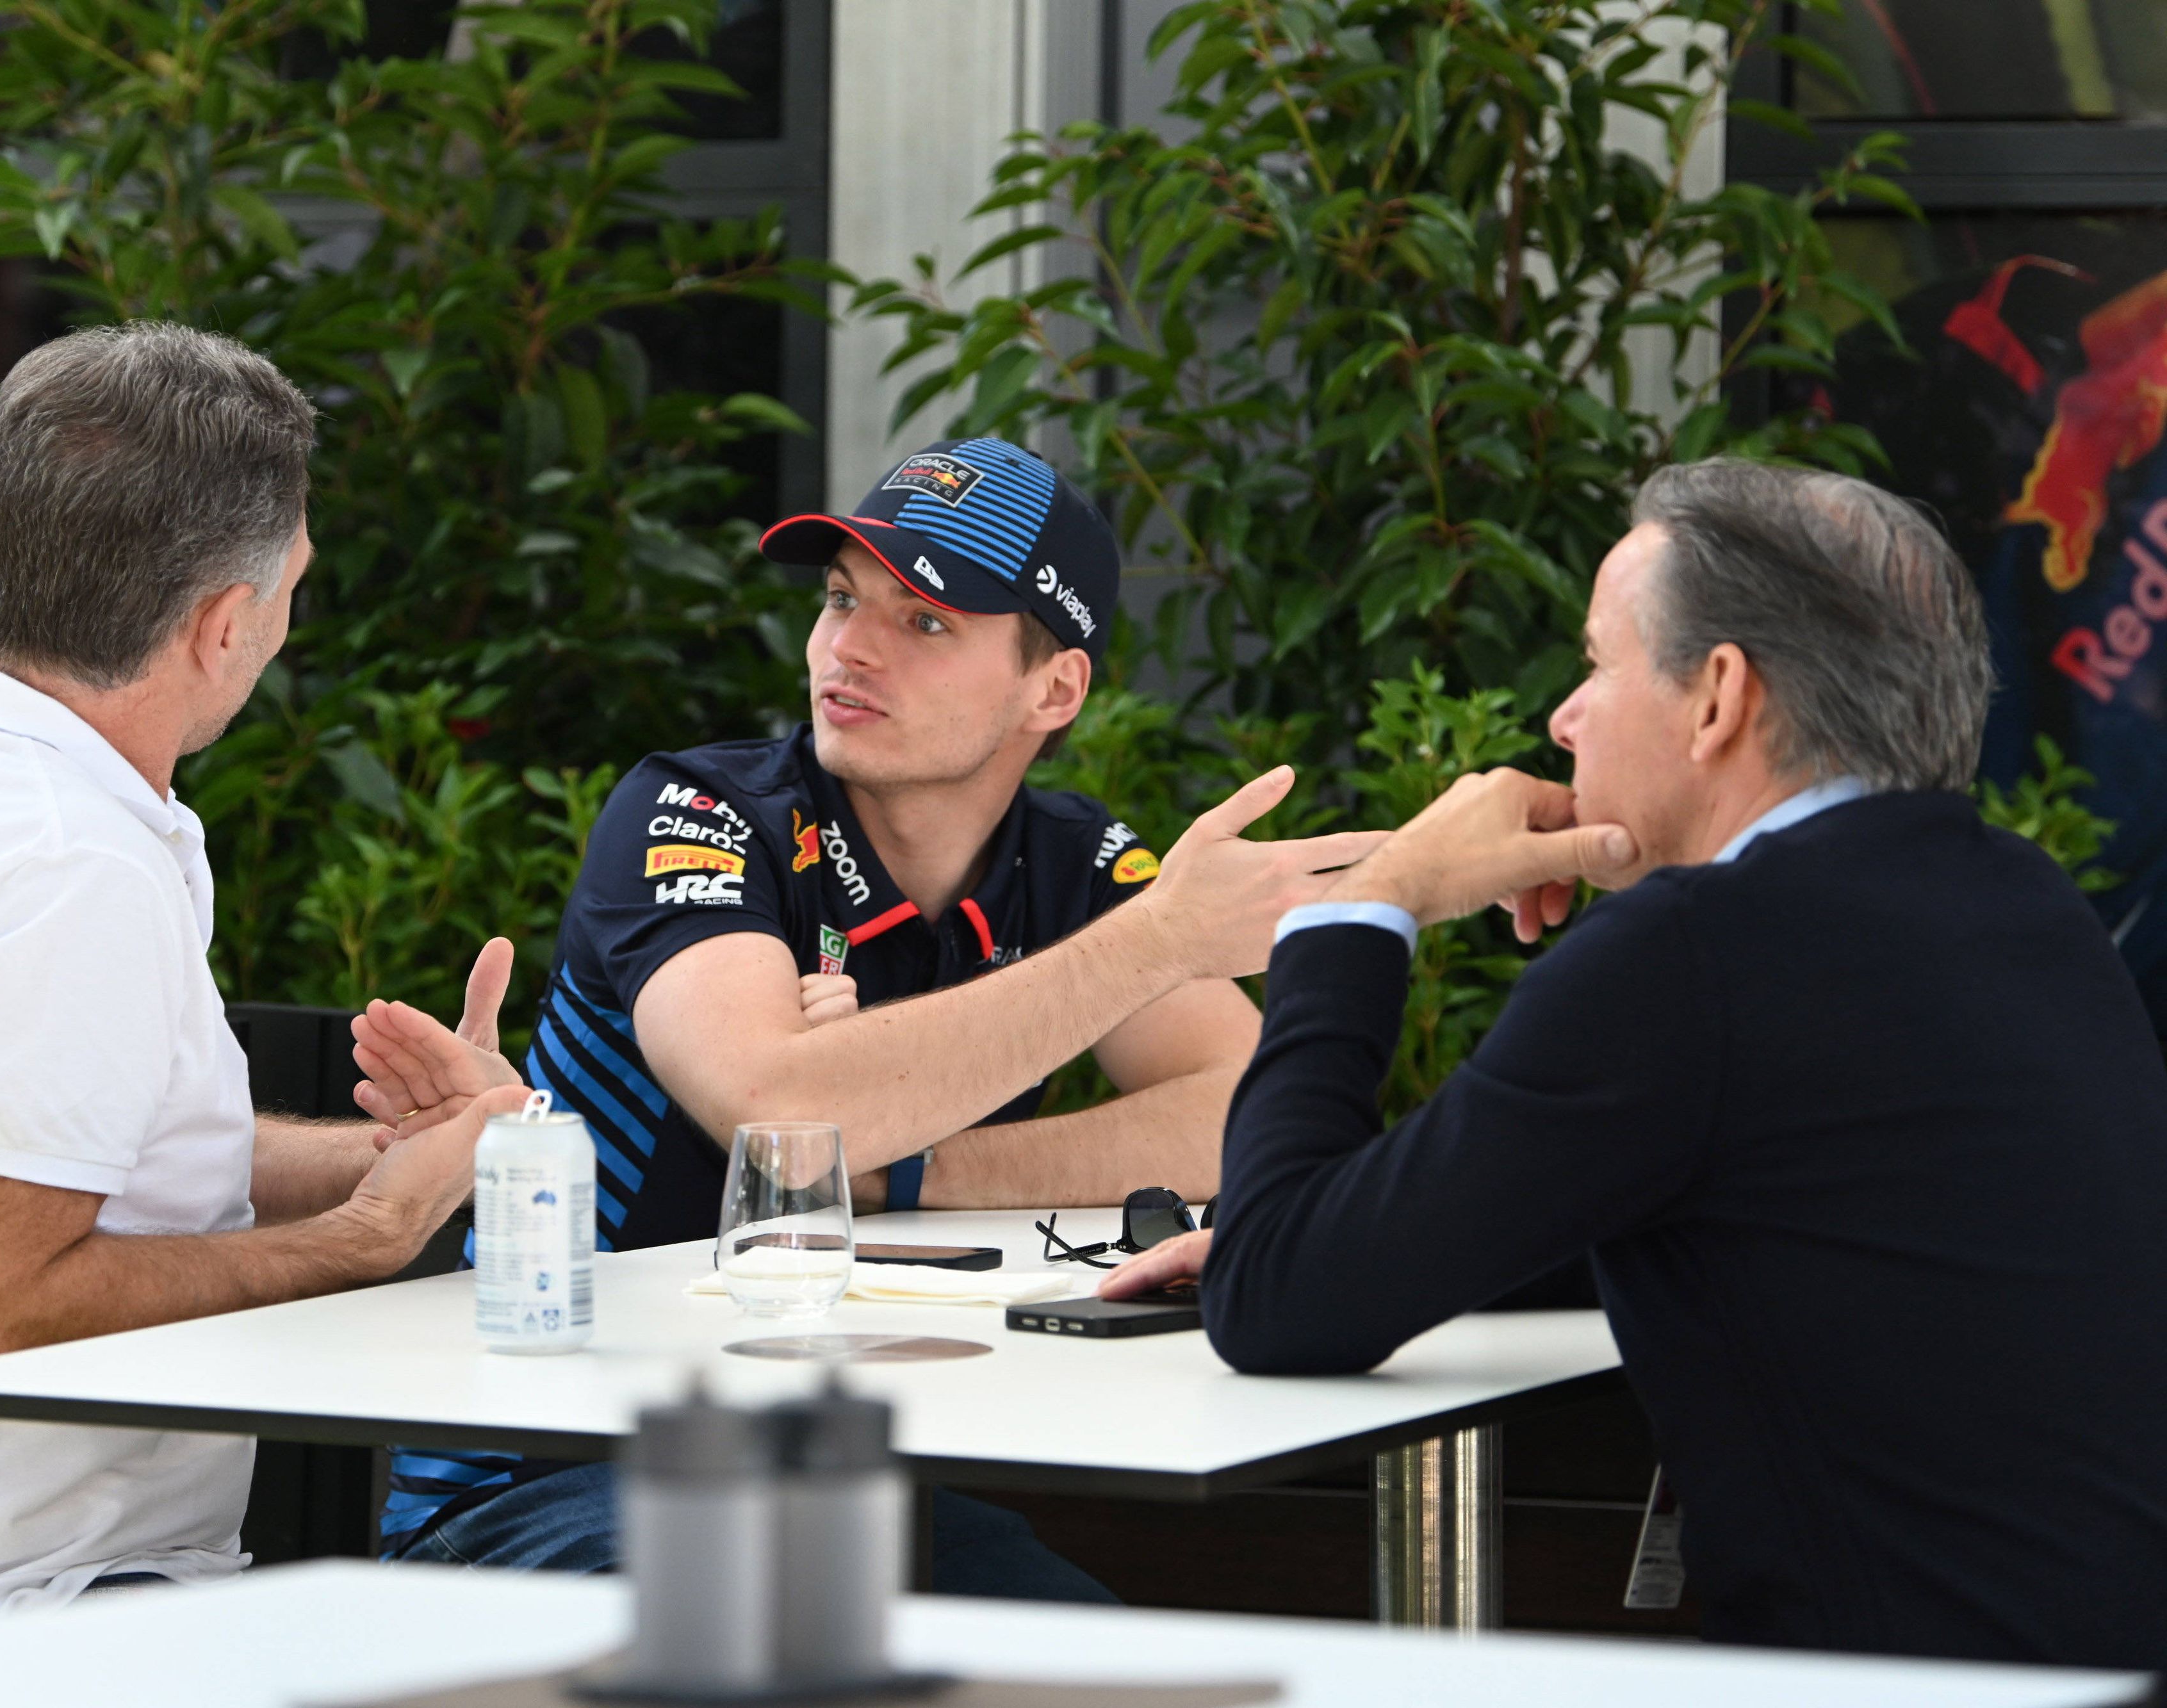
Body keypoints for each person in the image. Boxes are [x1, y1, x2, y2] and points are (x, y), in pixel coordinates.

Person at [1105, 460, 2167, 1667]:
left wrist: (1369, 903)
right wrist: (1409, 1235)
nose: (1563, 718)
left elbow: (1276, 1304)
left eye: (1598, 664)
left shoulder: (1697, 950)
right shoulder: (2026, 903)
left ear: (1718, 698)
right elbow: (1805, 1226)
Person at [353, 437, 1379, 1591]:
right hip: (552, 1472)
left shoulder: (1077, 859)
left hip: (845, 1468)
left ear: (1054, 689)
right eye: (842, 599)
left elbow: (1252, 1115)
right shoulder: (696, 808)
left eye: (925, 621)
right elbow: (768, 1103)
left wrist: (907, 1171)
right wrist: (1149, 945)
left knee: (1105, 1658)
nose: (848, 647)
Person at [0, 323, 528, 1641]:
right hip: (11, 1625)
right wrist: (366, 1238)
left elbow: (80, 1149)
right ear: (222, 627)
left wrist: (400, 1156)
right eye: (291, 586)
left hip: (6, 1599)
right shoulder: (56, 862)